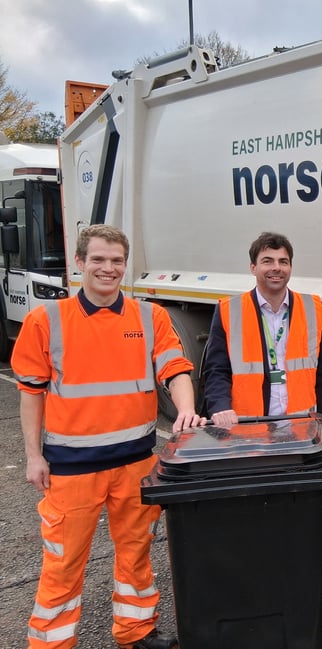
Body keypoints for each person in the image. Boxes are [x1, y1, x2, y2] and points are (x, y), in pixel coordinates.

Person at [12, 224, 205, 649]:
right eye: (98, 259)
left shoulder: (149, 317)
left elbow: (176, 370)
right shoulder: (46, 320)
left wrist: (187, 409)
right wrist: (33, 457)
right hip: (71, 468)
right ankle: (50, 644)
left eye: (117, 260)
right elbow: (30, 394)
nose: (108, 268)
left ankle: (136, 632)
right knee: (63, 565)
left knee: (136, 554)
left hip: (136, 463)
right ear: (79, 263)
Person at [202, 232, 322, 429]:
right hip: (249, 428)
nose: (276, 268)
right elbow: (216, 370)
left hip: (301, 428)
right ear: (253, 268)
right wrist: (220, 406)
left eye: (283, 261)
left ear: (290, 267)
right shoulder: (229, 311)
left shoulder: (313, 308)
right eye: (267, 261)